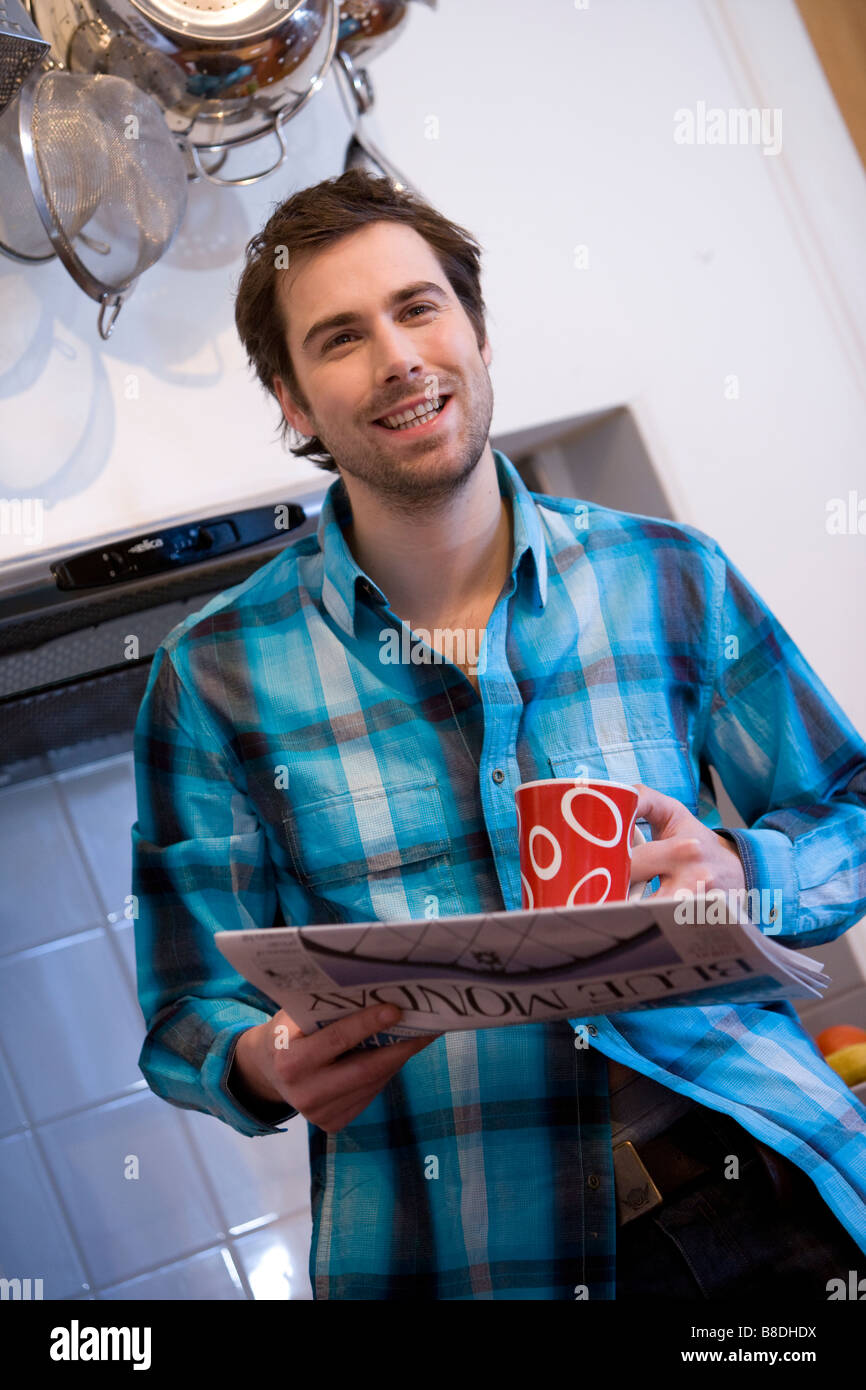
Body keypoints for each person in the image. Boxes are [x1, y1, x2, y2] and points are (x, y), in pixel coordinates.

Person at [131, 169, 866, 1301]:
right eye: (338, 338)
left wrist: (743, 867)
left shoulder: (666, 572)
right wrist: (261, 1064)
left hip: (770, 1196)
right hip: (465, 1265)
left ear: (473, 329)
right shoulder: (211, 677)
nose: (396, 358)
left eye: (417, 309)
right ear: (291, 401)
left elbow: (849, 809)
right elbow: (188, 1006)